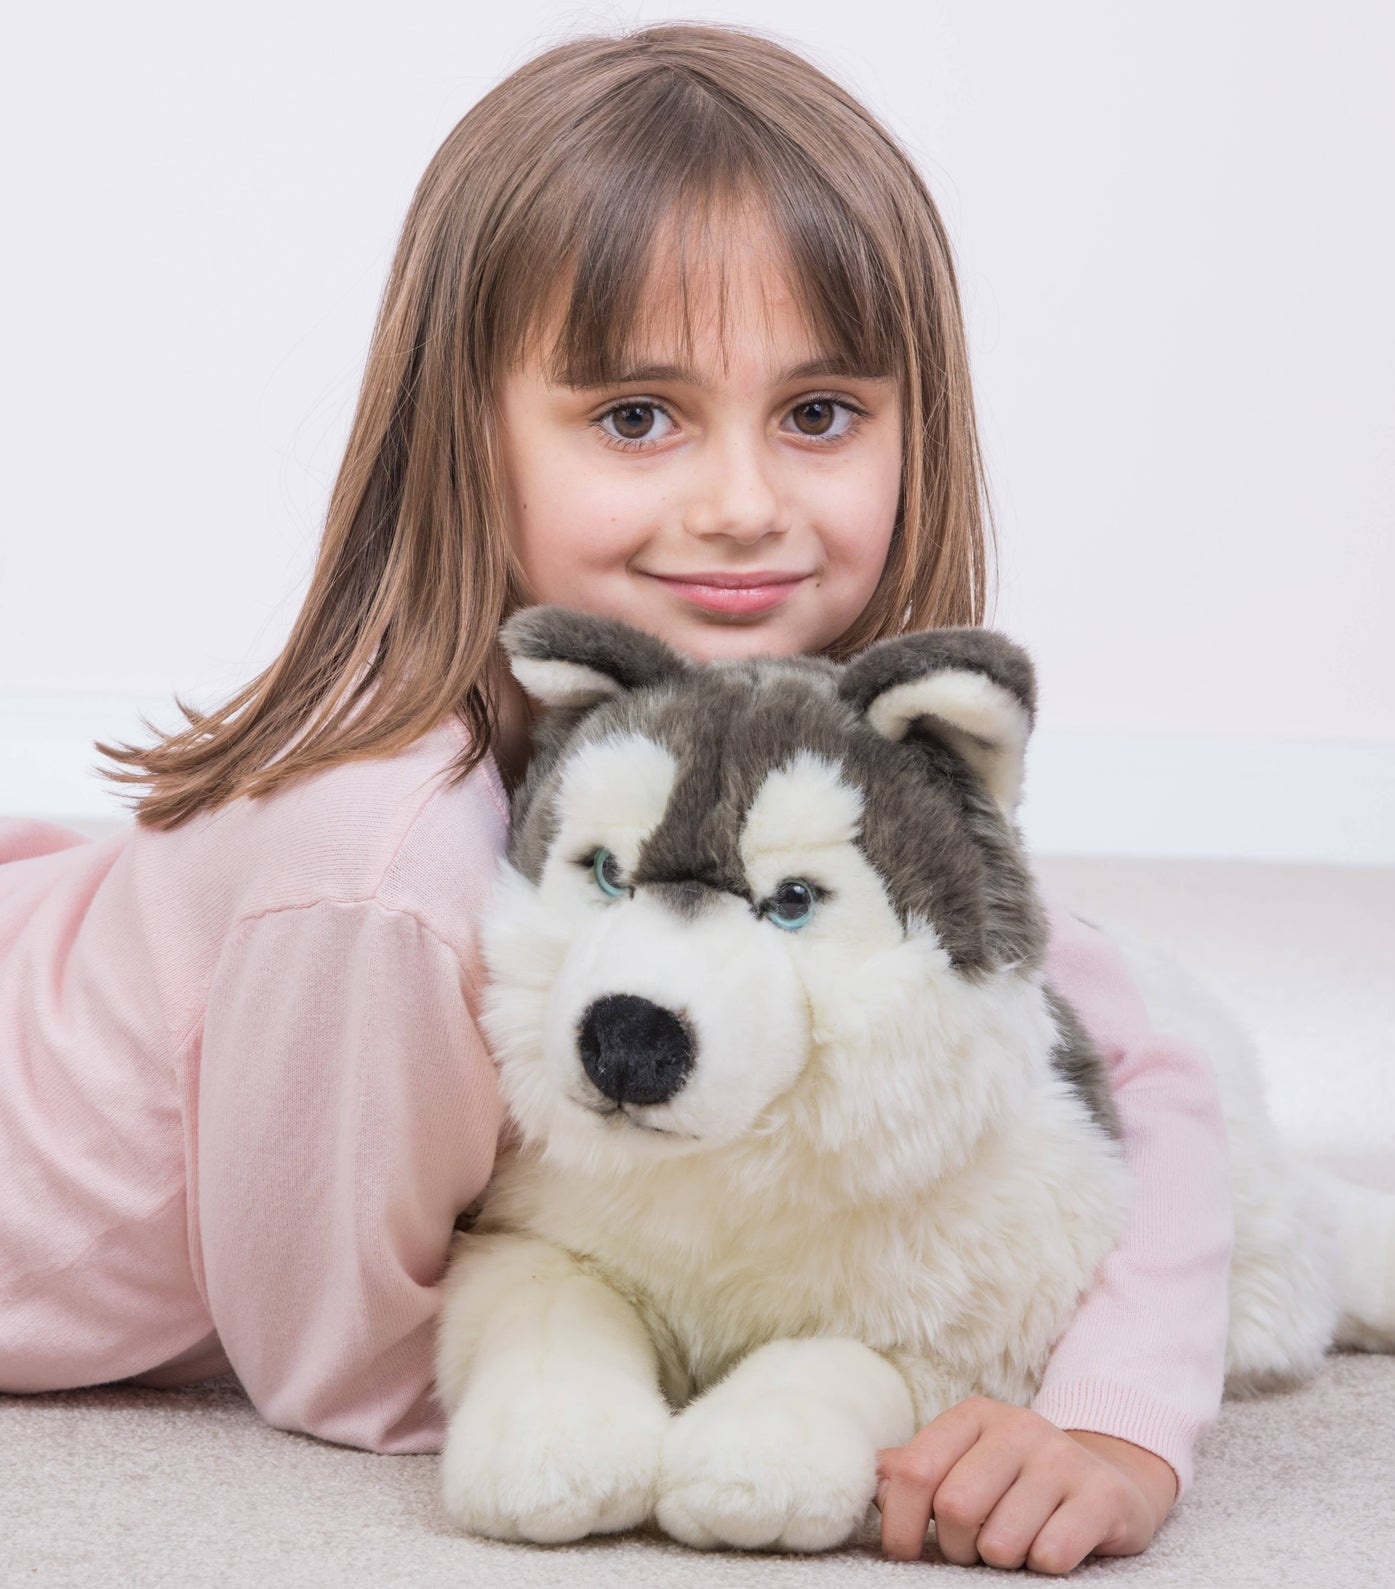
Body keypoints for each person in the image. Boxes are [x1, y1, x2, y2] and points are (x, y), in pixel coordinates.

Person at [0, 23, 1232, 1575]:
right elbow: (337, 1354)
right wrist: (834, 1372)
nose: (740, 503)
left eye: (819, 412)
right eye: (636, 415)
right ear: (468, 435)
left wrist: (1115, 1418)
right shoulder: (386, 869)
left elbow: (1134, 1064)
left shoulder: (791, 753)